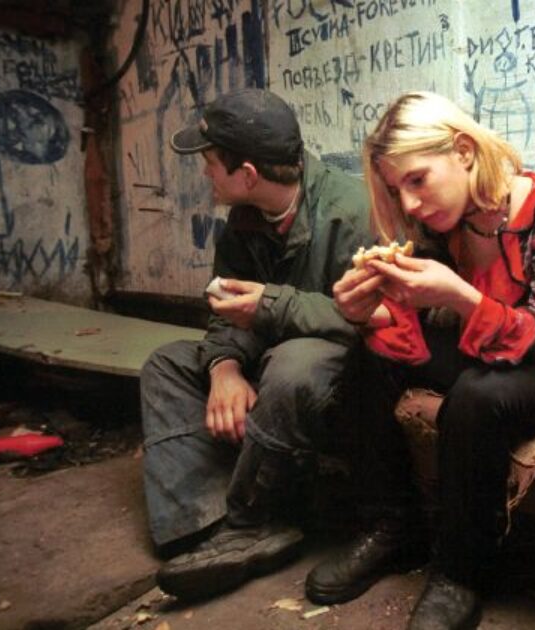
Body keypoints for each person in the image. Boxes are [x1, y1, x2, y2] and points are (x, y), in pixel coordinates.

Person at [312, 91, 535, 629]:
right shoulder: (442, 223)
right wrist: (365, 312)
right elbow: (423, 332)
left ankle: (462, 570)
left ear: (463, 151)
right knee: (369, 355)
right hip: (492, 350)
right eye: (398, 190)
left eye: (417, 179)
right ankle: (391, 526)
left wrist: (457, 295)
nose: (410, 204)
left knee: (477, 397)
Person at [139, 88, 371, 601]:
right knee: (166, 364)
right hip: (272, 359)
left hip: (342, 374)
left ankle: (252, 522)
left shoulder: (352, 213)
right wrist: (223, 367)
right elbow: (225, 309)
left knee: (292, 364)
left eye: (210, 164)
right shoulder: (244, 217)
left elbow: (370, 324)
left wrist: (271, 305)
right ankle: (203, 523)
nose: (204, 174)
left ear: (246, 174)